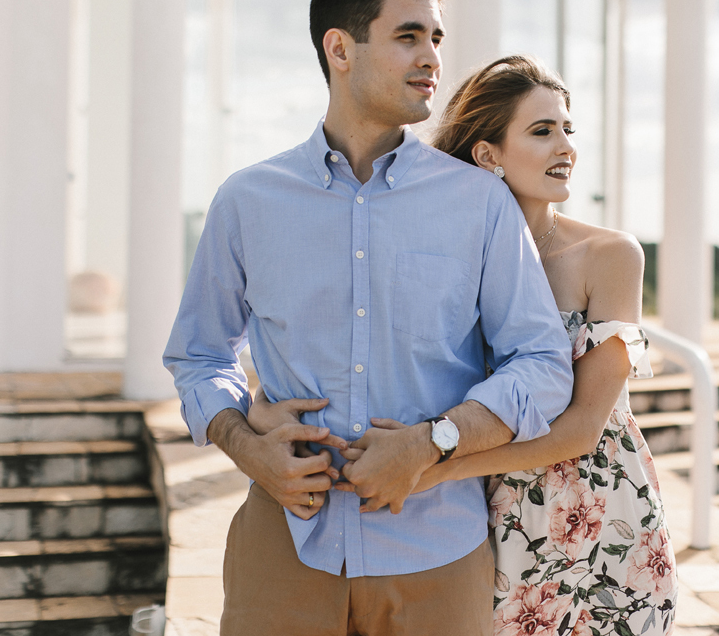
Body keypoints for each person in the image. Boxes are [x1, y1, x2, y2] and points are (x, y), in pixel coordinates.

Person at [164, 0, 574, 636]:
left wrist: (432, 442)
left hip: (437, 553)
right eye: (408, 36)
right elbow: (199, 354)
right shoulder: (247, 201)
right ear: (340, 49)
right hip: (283, 546)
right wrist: (245, 445)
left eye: (436, 38)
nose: (431, 57)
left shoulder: (479, 203)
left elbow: (542, 362)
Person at [258, 56, 678, 634]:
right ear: (487, 155)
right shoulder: (447, 254)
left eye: (567, 129)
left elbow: (583, 430)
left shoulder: (608, 256)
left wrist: (430, 466)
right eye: (542, 131)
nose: (566, 147)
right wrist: (262, 407)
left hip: (595, 514)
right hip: (475, 518)